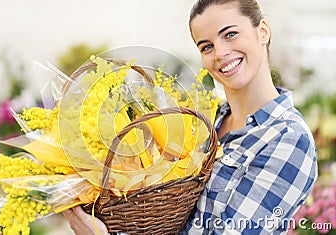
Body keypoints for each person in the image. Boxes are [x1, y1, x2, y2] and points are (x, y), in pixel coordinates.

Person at [63, 0, 318, 234]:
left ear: (262, 31)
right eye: (206, 46)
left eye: (230, 34)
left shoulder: (288, 138)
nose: (219, 53)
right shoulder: (206, 123)